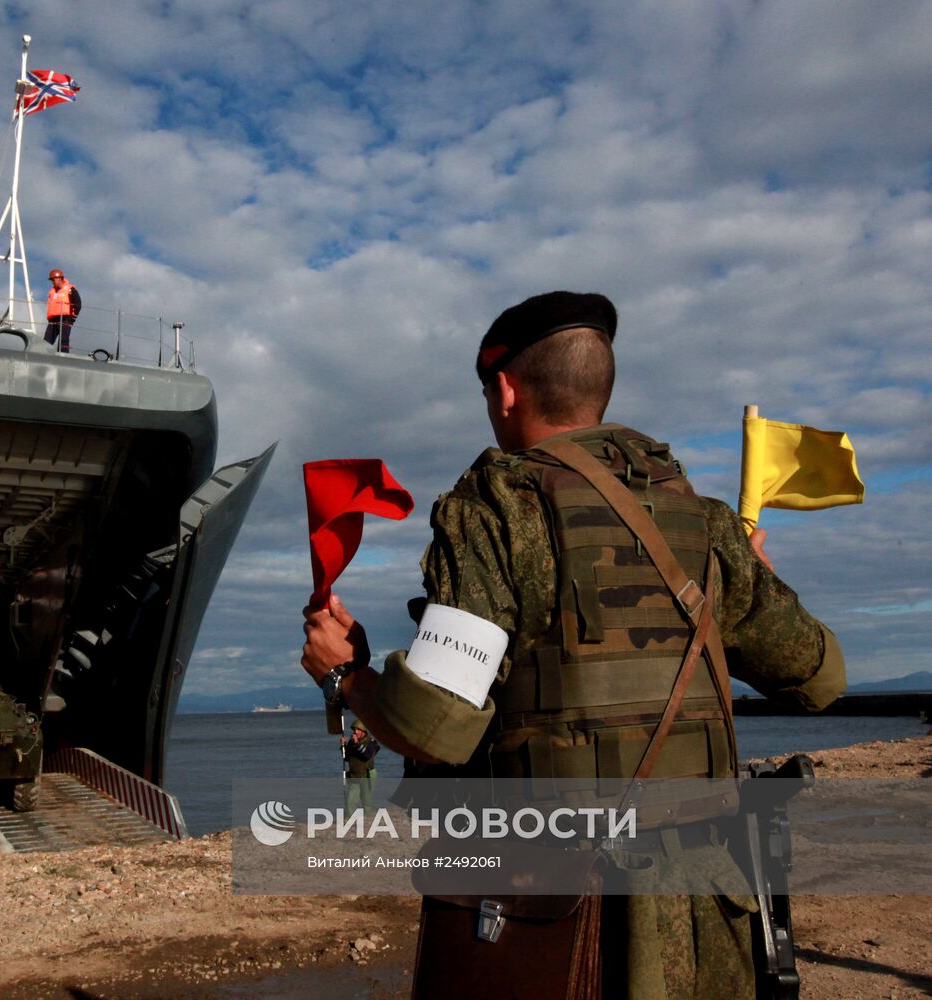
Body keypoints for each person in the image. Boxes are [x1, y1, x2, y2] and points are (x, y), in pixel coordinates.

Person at [300, 290, 846, 998]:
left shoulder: (495, 506)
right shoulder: (706, 525)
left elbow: (432, 727)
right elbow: (819, 677)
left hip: (546, 911)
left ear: (503, 389)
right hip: (707, 910)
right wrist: (754, 580)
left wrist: (343, 676)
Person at [341, 718, 380, 815]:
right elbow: (346, 758)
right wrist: (343, 747)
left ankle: (367, 820)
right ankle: (348, 820)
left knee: (366, 801)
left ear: (364, 731)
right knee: (350, 800)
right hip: (354, 775)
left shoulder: (371, 743)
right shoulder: (351, 742)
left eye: (358, 730)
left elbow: (366, 755)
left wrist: (357, 744)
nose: (355, 732)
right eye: (354, 730)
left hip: (367, 775)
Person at [44, 268, 81, 353]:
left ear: (59, 278)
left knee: (63, 340)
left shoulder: (70, 289)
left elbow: (78, 303)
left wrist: (72, 318)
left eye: (53, 279)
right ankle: (44, 355)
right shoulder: (52, 292)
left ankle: (64, 357)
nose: (52, 282)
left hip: (66, 318)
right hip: (53, 320)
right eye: (52, 280)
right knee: (46, 340)